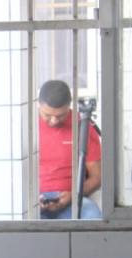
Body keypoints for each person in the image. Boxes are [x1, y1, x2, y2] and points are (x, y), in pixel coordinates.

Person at [38, 79, 103, 219]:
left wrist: (73, 195)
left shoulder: (83, 126)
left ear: (69, 106)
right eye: (47, 115)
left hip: (73, 198)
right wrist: (31, 199)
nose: (54, 121)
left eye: (60, 116)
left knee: (93, 216)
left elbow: (97, 177)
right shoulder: (27, 125)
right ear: (39, 105)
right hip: (34, 201)